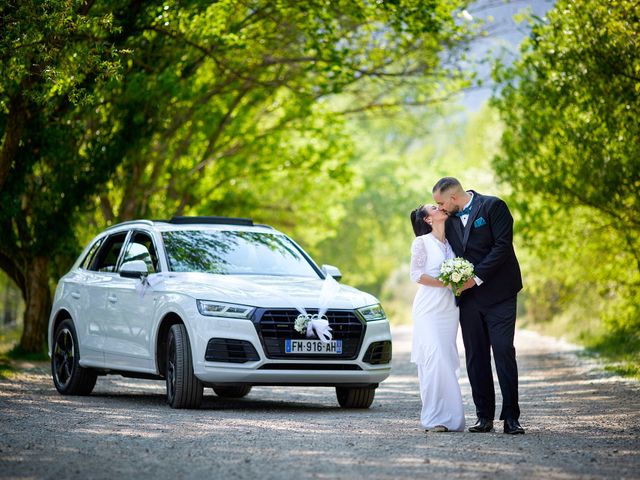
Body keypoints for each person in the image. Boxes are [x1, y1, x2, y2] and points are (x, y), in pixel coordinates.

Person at [432, 177, 525, 435]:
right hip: (469, 300)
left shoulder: (493, 207)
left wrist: (475, 278)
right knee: (476, 357)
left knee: (504, 350)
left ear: (452, 198)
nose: (438, 207)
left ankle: (511, 418)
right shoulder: (447, 219)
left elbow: (502, 247)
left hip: (501, 295)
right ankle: (484, 416)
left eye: (440, 202)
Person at [409, 204, 465, 433]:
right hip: (428, 309)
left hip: (449, 309)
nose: (440, 208)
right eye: (434, 207)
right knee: (434, 358)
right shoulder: (421, 242)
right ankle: (433, 418)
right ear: (428, 219)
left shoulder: (452, 242)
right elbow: (416, 274)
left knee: (448, 360)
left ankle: (452, 418)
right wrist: (447, 282)